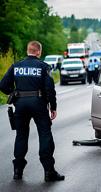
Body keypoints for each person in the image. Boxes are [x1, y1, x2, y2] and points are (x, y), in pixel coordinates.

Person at [0, 41, 64, 181]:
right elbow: (50, 89)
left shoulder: (16, 66)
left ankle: (18, 171)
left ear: (28, 50)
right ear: (38, 52)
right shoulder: (43, 67)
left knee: (21, 135)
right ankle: (49, 172)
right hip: (39, 104)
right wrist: (53, 107)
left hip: (20, 104)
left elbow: (3, 85)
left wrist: (15, 94)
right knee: (45, 134)